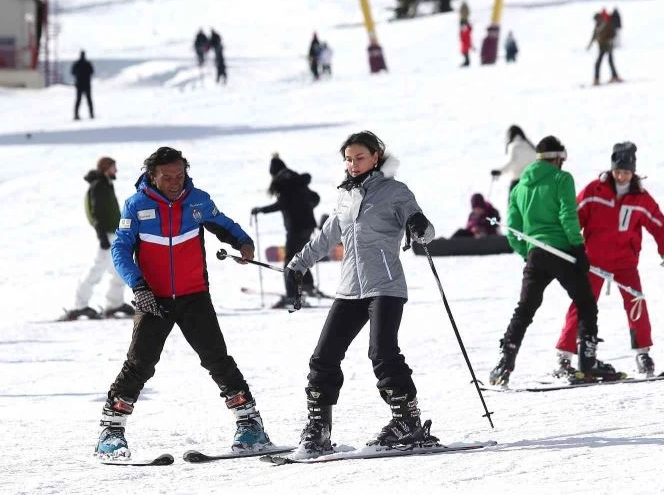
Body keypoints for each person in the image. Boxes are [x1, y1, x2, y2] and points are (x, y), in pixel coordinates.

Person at [95, 147, 272, 458]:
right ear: (152, 176)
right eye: (167, 177)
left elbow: (223, 224)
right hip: (153, 299)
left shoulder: (197, 199)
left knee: (218, 360)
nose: (175, 182)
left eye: (180, 175)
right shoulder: (136, 206)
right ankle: (111, 432)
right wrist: (139, 286)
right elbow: (120, 250)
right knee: (139, 365)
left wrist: (243, 242)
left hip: (194, 296)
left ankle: (250, 426)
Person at [284, 131, 437, 455]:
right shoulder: (344, 196)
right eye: (349, 159)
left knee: (382, 353)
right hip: (350, 288)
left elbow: (421, 226)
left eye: (360, 158)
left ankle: (407, 423)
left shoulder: (395, 192)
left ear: (376, 157)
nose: (353, 165)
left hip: (386, 286)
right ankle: (319, 430)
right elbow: (325, 238)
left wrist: (420, 227)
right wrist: (298, 265)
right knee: (323, 358)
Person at [489, 135, 618, 386]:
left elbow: (514, 229)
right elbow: (567, 215)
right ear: (558, 158)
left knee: (525, 309)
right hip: (561, 251)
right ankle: (588, 362)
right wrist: (578, 249)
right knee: (586, 303)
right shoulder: (562, 178)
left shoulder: (519, 187)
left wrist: (527, 252)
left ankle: (504, 363)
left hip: (535, 254)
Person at [554, 142, 664, 378]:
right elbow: (572, 218)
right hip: (594, 261)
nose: (621, 176)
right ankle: (564, 356)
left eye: (626, 172)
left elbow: (658, 223)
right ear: (611, 169)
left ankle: (643, 353)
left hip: (625, 262)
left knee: (636, 302)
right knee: (582, 305)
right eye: (618, 171)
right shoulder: (594, 191)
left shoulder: (640, 197)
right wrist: (567, 244)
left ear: (633, 172)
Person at [61, 157, 134, 321]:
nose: (116, 171)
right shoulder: (99, 186)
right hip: (107, 235)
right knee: (96, 270)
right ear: (106, 168)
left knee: (118, 270)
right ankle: (79, 306)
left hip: (113, 234)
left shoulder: (105, 184)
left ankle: (114, 303)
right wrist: (101, 235)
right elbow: (97, 213)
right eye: (114, 167)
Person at [252, 153, 321, 308]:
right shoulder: (297, 180)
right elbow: (315, 198)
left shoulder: (283, 182)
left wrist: (261, 210)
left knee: (290, 261)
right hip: (308, 225)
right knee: (300, 257)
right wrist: (306, 209)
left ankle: (292, 296)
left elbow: (281, 204)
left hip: (296, 228)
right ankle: (308, 287)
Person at [492, 125, 536, 193]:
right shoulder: (530, 147)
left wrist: (499, 171)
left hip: (517, 182)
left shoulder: (513, 146)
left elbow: (511, 163)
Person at [587, 12, 621, 86]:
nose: (596, 21)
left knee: (610, 61)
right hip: (602, 47)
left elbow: (613, 34)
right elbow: (594, 35)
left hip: (608, 46)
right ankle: (597, 79)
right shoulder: (597, 26)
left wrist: (609, 40)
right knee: (598, 63)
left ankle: (614, 77)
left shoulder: (607, 24)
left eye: (597, 19)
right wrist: (589, 45)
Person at [71, 50, 94, 120]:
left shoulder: (77, 63)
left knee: (79, 100)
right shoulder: (87, 63)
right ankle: (91, 114)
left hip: (80, 84)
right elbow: (91, 72)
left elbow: (73, 72)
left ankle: (76, 115)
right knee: (88, 100)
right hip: (86, 84)